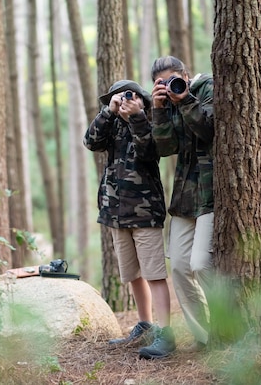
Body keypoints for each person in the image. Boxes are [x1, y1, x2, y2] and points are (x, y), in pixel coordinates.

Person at [84, 80, 176, 359]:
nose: (124, 100)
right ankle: (146, 324)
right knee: (132, 274)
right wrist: (108, 112)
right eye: (118, 97)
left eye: (130, 96)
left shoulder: (148, 121)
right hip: (115, 211)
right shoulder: (110, 124)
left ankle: (166, 333)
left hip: (145, 210)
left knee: (154, 274)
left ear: (141, 100)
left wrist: (136, 115)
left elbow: (150, 151)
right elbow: (90, 142)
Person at [150, 55, 214, 352]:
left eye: (173, 79)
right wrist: (159, 110)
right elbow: (166, 148)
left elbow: (208, 130)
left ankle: (227, 327)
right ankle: (204, 338)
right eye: (162, 83)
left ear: (186, 75)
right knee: (178, 266)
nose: (170, 86)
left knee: (201, 264)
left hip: (212, 193)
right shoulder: (167, 105)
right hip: (184, 198)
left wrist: (185, 98)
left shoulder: (207, 88)